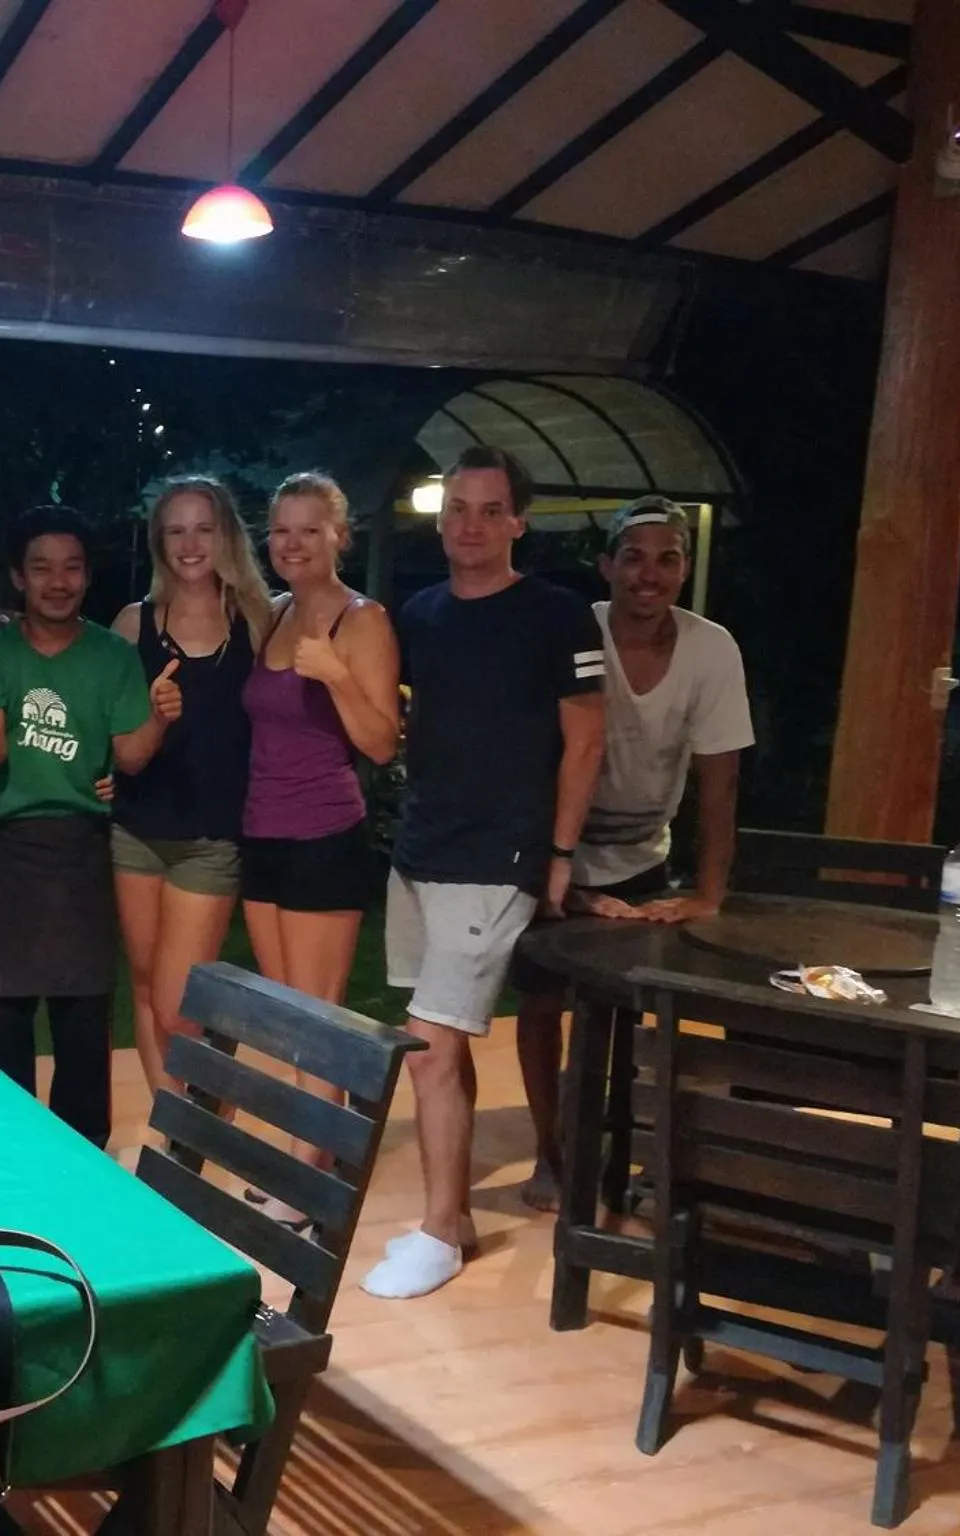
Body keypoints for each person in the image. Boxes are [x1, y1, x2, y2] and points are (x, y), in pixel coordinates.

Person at [360, 445, 606, 1301]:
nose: (469, 524)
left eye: (489, 510)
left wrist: (559, 853)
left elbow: (587, 740)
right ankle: (455, 1213)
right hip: (422, 847)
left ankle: (436, 1236)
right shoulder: (421, 613)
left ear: (517, 523)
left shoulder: (558, 614)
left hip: (499, 855)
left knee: (426, 1050)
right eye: (456, 508)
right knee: (444, 1043)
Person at [513, 496, 753, 1210]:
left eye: (667, 559)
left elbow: (720, 779)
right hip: (559, 847)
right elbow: (532, 756)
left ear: (685, 568)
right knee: (542, 1002)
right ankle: (551, 1151)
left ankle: (627, 1148)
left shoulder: (712, 648)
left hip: (644, 853)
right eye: (635, 557)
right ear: (606, 565)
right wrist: (557, 869)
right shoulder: (573, 631)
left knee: (636, 1011)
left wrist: (707, 893)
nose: (650, 574)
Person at [0, 505, 169, 1148]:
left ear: (87, 575)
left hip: (82, 849)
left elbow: (130, 756)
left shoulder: (111, 654)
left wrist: (160, 717)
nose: (58, 582)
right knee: (7, 1020)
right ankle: (11, 1155)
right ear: (18, 577)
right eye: (42, 568)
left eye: (72, 568)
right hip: (7, 849)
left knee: (83, 1020)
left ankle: (83, 1162)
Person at [241, 473, 402, 1225]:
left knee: (317, 1013)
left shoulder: (361, 621)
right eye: (281, 529)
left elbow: (382, 741)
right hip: (263, 831)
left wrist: (336, 676)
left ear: (341, 536)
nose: (293, 543)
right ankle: (315, 1150)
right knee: (288, 1014)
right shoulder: (274, 613)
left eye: (310, 529)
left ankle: (311, 1178)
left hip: (323, 834)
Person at [109, 477, 267, 1098]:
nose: (190, 543)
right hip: (137, 829)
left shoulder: (257, 620)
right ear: (158, 542)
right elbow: (109, 727)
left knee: (180, 1005)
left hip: (210, 836)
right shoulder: (133, 624)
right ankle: (169, 1126)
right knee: (146, 986)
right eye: (176, 530)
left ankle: (210, 1116)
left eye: (204, 528)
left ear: (226, 535)